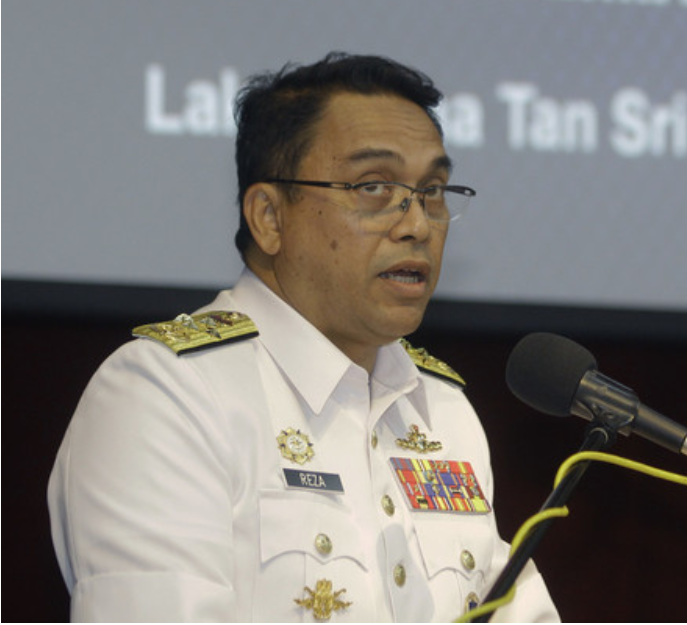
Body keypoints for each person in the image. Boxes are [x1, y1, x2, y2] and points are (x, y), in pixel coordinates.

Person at [47, 52, 559, 622]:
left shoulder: (442, 410)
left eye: (433, 189)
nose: (417, 224)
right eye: (373, 187)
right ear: (269, 217)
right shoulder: (167, 394)